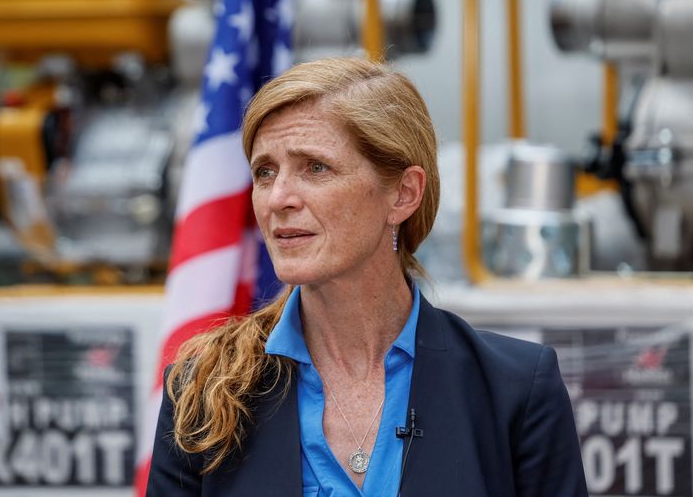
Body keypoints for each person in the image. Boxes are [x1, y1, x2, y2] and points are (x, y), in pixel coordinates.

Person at [147, 57, 588, 496]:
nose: (277, 198)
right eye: (265, 171)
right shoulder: (202, 390)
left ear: (403, 194)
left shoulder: (517, 390)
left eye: (315, 167)